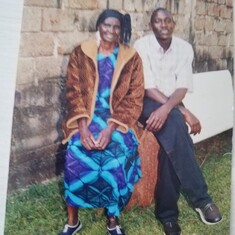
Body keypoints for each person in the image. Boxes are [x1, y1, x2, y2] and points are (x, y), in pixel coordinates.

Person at [134, 7, 222, 235]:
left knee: (171, 141)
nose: (163, 25)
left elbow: (182, 86)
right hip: (146, 101)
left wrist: (172, 109)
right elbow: (148, 86)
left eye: (167, 20)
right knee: (175, 124)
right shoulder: (142, 46)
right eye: (157, 21)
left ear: (173, 24)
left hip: (171, 104)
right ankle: (202, 200)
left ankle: (168, 216)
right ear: (151, 25)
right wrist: (180, 111)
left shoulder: (184, 48)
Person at [59, 9, 144, 235]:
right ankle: (72, 221)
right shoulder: (81, 53)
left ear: (121, 30)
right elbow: (73, 92)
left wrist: (110, 128)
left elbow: (134, 98)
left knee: (114, 155)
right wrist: (83, 128)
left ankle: (112, 222)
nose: (111, 30)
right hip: (85, 116)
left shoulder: (131, 57)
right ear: (99, 26)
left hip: (117, 119)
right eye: (107, 25)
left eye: (116, 27)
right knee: (75, 150)